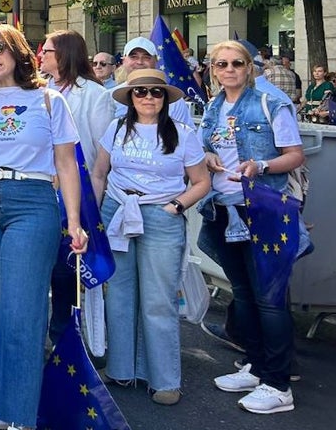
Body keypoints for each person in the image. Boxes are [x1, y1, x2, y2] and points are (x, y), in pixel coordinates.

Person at [0, 24, 87, 430]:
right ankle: (6, 390)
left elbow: (66, 164)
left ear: (18, 51)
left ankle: (20, 407)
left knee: (23, 306)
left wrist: (74, 221)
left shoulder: (49, 100)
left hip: (32, 201)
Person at [90, 69, 209, 406]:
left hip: (160, 215)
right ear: (130, 97)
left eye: (155, 93)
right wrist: (92, 220)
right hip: (116, 212)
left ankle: (164, 379)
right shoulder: (115, 128)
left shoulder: (184, 133)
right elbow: (100, 174)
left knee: (159, 300)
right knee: (120, 295)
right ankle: (120, 369)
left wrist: (176, 205)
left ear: (164, 98)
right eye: (140, 91)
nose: (147, 98)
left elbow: (201, 181)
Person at [199, 40, 304, 415]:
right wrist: (208, 155)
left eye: (236, 63)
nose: (229, 70)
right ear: (213, 69)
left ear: (249, 67)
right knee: (242, 293)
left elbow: (294, 155)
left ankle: (278, 383)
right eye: (221, 64)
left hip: (261, 209)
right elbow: (209, 150)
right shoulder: (213, 106)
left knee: (269, 298)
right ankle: (257, 366)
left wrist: (259, 165)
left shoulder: (270, 103)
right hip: (223, 209)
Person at [40, 30, 116, 343]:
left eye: (46, 51)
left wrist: (91, 202)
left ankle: (64, 335)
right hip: (42, 188)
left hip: (77, 190)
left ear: (65, 54)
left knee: (66, 268)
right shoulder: (38, 89)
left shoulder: (96, 96)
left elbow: (101, 152)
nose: (40, 56)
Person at [115, 37, 193, 121]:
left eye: (146, 57)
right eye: (133, 57)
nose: (140, 62)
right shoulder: (110, 98)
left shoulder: (174, 101)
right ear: (123, 60)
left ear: (156, 60)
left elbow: (186, 131)